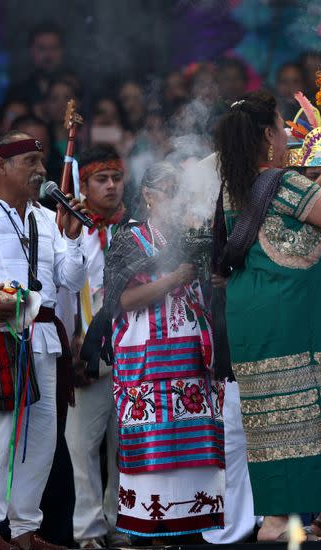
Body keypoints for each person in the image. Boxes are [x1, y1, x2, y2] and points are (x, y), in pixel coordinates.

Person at [213, 91, 321, 541]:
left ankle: (278, 520)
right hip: (284, 314)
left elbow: (286, 218)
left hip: (252, 313)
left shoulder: (239, 185)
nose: (286, 134)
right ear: (267, 135)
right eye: (282, 127)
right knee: (295, 413)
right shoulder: (283, 183)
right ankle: (282, 523)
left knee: (268, 416)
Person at [0, 131, 87, 550]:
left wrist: (73, 237)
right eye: (30, 163)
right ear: (1, 166)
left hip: (44, 340)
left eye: (42, 162)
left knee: (40, 441)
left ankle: (22, 530)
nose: (41, 171)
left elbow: (71, 280)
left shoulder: (44, 217)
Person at [105, 162, 225, 541]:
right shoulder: (130, 238)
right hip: (146, 361)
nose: (177, 200)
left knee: (194, 448)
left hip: (191, 358)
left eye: (181, 192)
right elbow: (121, 300)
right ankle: (148, 533)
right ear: (148, 195)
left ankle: (193, 531)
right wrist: (173, 278)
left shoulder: (196, 236)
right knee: (152, 448)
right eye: (169, 191)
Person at [57, 146, 126, 549]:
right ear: (83, 184)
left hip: (130, 350)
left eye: (116, 178)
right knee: (82, 446)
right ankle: (87, 532)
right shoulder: (67, 227)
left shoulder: (135, 226)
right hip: (84, 349)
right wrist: (71, 342)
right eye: (102, 179)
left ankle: (121, 525)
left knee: (126, 445)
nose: (112, 186)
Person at [8, 22, 66, 107]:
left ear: (62, 51)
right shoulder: (18, 93)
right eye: (42, 49)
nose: (48, 55)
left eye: (54, 48)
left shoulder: (76, 89)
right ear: (31, 51)